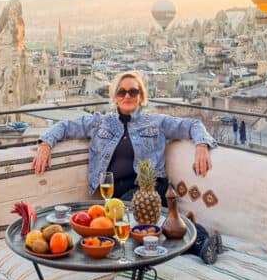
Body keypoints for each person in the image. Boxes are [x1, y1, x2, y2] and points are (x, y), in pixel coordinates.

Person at [32, 70, 220, 262]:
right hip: (115, 196)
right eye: (122, 92)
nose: (127, 96)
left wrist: (202, 146)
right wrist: (45, 144)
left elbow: (193, 125)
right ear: (115, 97)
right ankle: (202, 239)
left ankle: (202, 242)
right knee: (118, 226)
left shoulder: (157, 122)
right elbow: (64, 127)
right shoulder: (100, 123)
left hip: (149, 189)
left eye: (133, 92)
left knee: (123, 225)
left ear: (142, 96)